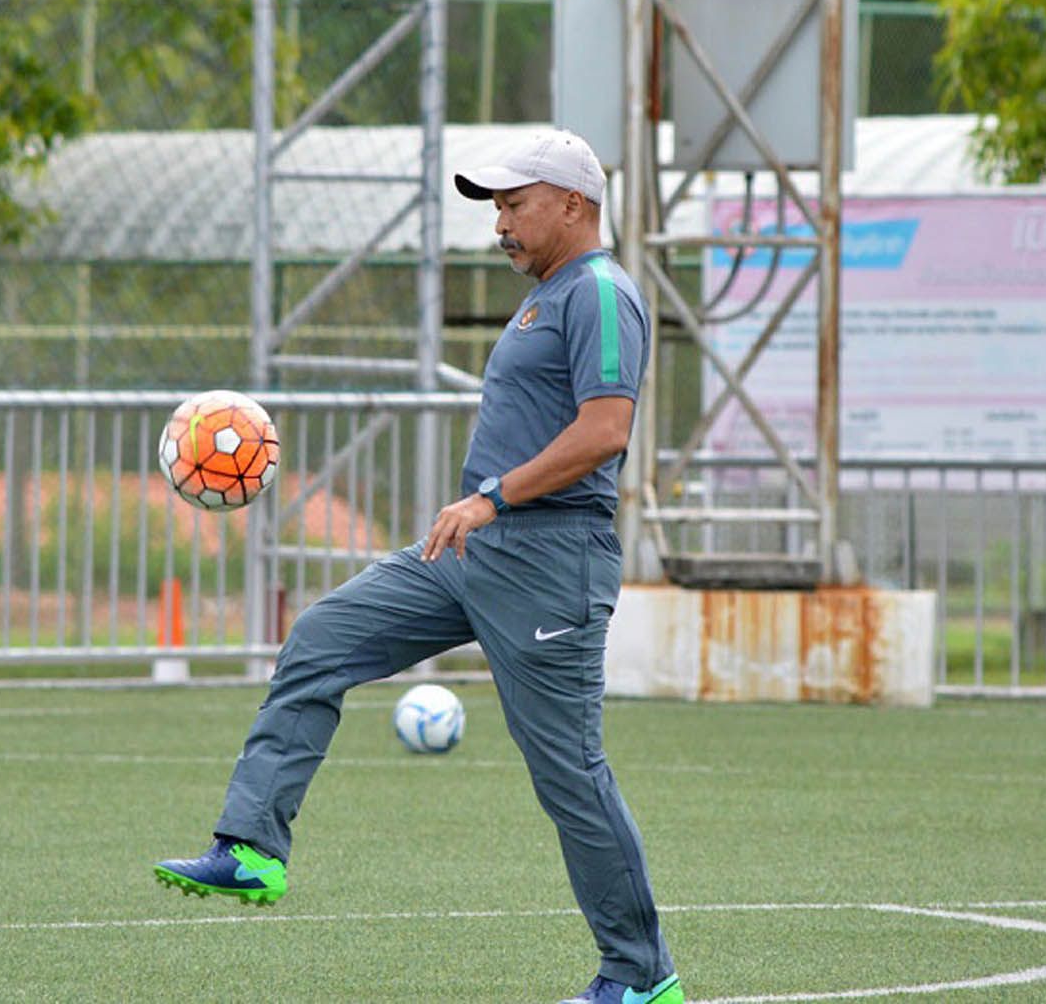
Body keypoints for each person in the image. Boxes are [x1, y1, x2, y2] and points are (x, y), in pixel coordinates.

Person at [154, 129, 682, 1004]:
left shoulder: (598, 293)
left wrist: (492, 497)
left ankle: (640, 977)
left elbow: (605, 432)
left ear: (574, 205)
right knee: (321, 637)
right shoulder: (544, 297)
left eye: (516, 206)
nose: (502, 225)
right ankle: (251, 849)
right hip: (474, 552)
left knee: (569, 777)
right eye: (498, 210)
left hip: (549, 562)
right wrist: (484, 515)